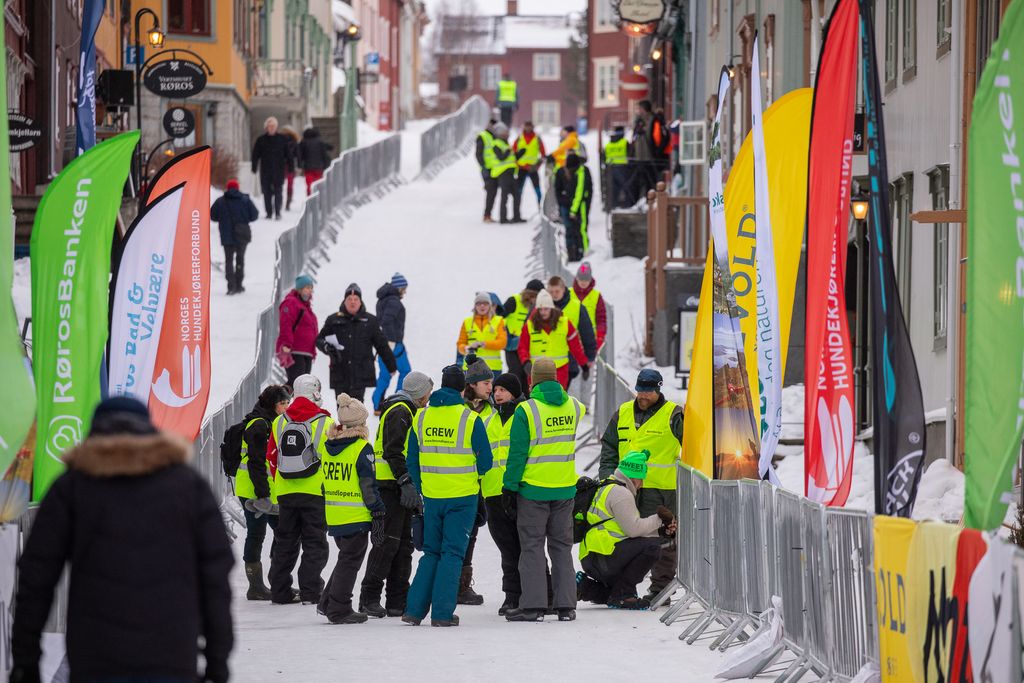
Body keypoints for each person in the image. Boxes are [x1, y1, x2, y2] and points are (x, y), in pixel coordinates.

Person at [10, 397, 234, 683]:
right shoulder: (188, 487)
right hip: (171, 654)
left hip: (96, 657)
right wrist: (218, 660)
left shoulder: (72, 488)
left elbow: (36, 578)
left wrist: (26, 659)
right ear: (151, 433)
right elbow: (216, 578)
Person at [402, 365, 493, 627]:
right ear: (463, 386)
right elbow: (485, 462)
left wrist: (423, 486)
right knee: (453, 553)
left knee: (431, 552)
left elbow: (412, 460)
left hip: (432, 496)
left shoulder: (421, 418)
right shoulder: (470, 419)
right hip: (462, 496)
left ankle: (414, 610)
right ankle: (442, 613)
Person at [502, 358, 585, 622]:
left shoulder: (526, 411)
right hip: (564, 488)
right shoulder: (573, 406)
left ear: (532, 379)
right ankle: (566, 606)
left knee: (532, 547)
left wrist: (509, 487)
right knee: (561, 547)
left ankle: (534, 606)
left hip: (533, 491)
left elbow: (517, 454)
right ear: (557, 377)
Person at [598, 369, 683, 601]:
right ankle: (624, 588)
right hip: (625, 488)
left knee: (661, 539)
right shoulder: (623, 412)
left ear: (658, 390)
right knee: (626, 538)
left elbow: (692, 445)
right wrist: (606, 476)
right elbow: (609, 447)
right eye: (640, 390)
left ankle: (661, 590)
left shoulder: (673, 414)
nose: (643, 395)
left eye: (648, 391)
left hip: (660, 490)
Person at [359, 371, 434, 618]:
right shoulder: (401, 411)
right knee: (387, 543)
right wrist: (405, 481)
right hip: (389, 486)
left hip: (397, 484)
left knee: (403, 545)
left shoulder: (405, 410)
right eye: (427, 394)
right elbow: (393, 452)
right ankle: (369, 597)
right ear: (420, 393)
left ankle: (397, 599)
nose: (428, 399)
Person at [577, 451, 677, 609]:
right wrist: (659, 520)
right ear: (634, 476)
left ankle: (587, 588)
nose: (642, 484)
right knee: (652, 548)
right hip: (603, 558)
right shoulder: (621, 494)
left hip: (595, 556)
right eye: (641, 478)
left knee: (612, 594)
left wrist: (661, 532)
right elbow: (633, 530)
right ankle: (625, 595)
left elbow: (626, 529)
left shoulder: (608, 486)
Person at [317, 394, 384, 624]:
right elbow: (368, 485)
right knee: (350, 562)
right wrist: (377, 510)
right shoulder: (361, 449)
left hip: (335, 514)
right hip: (356, 514)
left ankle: (328, 602)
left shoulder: (328, 447)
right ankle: (339, 608)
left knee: (345, 559)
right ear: (361, 424)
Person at [267, 374, 333, 604]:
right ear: (315, 392)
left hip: (286, 492)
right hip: (314, 491)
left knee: (285, 541)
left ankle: (279, 591)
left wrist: (279, 486)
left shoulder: (279, 421)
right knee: (314, 542)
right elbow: (330, 458)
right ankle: (310, 591)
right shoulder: (325, 422)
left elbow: (272, 458)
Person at [236, 384, 292, 600]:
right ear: (272, 404)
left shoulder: (273, 421)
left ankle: (277, 581)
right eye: (282, 403)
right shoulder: (259, 425)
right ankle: (256, 586)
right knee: (256, 533)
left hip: (268, 489)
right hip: (253, 490)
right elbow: (256, 464)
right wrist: (262, 495)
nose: (286, 407)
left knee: (282, 532)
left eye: (288, 402)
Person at [482, 372, 526, 615]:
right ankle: (512, 595)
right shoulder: (489, 421)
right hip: (493, 493)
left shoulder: (523, 416)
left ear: (514, 392)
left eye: (502, 390)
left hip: (518, 491)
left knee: (525, 545)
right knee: (506, 547)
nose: (497, 394)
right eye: (495, 389)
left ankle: (535, 592)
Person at [455, 355, 494, 606]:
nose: (491, 387)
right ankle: (455, 584)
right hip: (459, 481)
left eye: (491, 383)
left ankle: (462, 583)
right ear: (472, 385)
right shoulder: (460, 410)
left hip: (483, 482)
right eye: (486, 383)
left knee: (473, 533)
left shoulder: (492, 409)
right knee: (459, 534)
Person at [316, 283, 397, 403]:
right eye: (349, 299)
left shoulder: (370, 321)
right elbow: (319, 340)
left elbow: (382, 345)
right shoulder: (333, 320)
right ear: (344, 301)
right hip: (340, 372)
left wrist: (391, 366)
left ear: (360, 301)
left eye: (356, 299)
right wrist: (327, 347)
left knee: (357, 409)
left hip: (361, 373)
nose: (352, 302)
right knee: (342, 408)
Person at [517, 289, 589, 390]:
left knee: (557, 401)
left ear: (551, 307)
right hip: (537, 371)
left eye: (546, 309)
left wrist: (584, 365)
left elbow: (575, 346)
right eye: (540, 309)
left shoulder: (564, 323)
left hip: (559, 371)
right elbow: (522, 347)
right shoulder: (529, 325)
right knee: (537, 402)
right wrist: (525, 362)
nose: (543, 312)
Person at [210, 178, 260, 295]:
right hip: (242, 235)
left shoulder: (220, 201)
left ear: (228, 188)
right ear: (237, 188)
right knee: (240, 259)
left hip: (226, 235)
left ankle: (231, 286)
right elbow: (254, 215)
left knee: (228, 260)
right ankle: (239, 284)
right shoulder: (245, 200)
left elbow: (213, 216)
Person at [547, 275, 597, 385]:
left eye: (557, 291)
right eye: (551, 292)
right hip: (544, 361)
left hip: (570, 360)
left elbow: (587, 334)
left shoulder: (576, 307)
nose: (554, 295)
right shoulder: (542, 307)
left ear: (564, 289)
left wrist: (589, 358)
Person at [373, 272, 411, 413]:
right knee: (405, 371)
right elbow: (386, 321)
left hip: (385, 343)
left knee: (385, 374)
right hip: (393, 343)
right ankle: (398, 399)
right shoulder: (393, 301)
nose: (405, 291)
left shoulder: (384, 299)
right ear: (399, 287)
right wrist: (391, 341)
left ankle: (377, 404)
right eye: (404, 288)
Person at [276, 274, 319, 387]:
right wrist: (286, 344)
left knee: (302, 386)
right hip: (295, 351)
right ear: (299, 289)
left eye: (311, 288)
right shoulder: (291, 303)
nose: (309, 291)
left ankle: (289, 403)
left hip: (306, 352)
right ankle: (277, 402)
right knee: (296, 384)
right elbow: (286, 325)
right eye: (307, 288)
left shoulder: (306, 306)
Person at [501, 279, 543, 389]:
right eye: (532, 295)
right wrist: (503, 334)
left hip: (529, 345)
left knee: (527, 375)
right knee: (516, 372)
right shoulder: (514, 301)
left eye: (536, 296)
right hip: (512, 346)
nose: (533, 299)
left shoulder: (541, 308)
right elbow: (499, 316)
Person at [457, 291, 507, 377]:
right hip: (471, 368)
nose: (482, 306)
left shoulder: (499, 321)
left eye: (485, 303)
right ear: (475, 306)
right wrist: (466, 348)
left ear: (490, 305)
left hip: (492, 368)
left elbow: (502, 343)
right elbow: (460, 344)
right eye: (479, 303)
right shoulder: (467, 322)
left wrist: (484, 344)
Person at [251, 116, 292, 220]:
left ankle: (278, 212)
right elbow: (255, 154)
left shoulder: (282, 139)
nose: (272, 128)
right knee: (266, 192)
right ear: (266, 127)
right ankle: (269, 212)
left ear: (276, 127)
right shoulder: (261, 140)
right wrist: (254, 166)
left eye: (273, 126)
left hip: (279, 169)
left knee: (278, 191)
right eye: (270, 126)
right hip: (265, 170)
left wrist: (291, 166)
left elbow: (288, 154)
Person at [490, 123, 521, 224]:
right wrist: (508, 150)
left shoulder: (505, 143)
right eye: (505, 132)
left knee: (516, 195)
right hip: (503, 173)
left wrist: (520, 153)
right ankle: (503, 218)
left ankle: (517, 217)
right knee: (505, 196)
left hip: (511, 173)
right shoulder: (496, 144)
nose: (507, 134)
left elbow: (511, 157)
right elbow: (501, 157)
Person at [573, 262, 608, 351]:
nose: (583, 282)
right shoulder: (569, 293)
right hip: (571, 339)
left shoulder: (596, 296)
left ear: (590, 280)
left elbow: (601, 317)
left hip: (589, 340)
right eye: (581, 279)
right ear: (577, 278)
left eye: (586, 279)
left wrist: (600, 335)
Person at [513, 121, 546, 216]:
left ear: (532, 127)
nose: (528, 128)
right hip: (521, 168)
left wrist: (537, 165)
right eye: (526, 126)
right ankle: (517, 213)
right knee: (518, 191)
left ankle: (541, 212)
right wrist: (517, 164)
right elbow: (513, 152)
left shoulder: (537, 138)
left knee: (538, 191)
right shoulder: (519, 138)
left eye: (529, 127)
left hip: (533, 169)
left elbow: (543, 154)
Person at [564, 153, 593, 261]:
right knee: (579, 227)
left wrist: (573, 209)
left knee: (582, 227)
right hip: (580, 204)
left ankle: (586, 250)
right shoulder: (580, 171)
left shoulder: (582, 173)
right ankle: (582, 249)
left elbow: (579, 192)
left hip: (582, 204)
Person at [298, 127, 334, 195]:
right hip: (319, 167)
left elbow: (300, 155)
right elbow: (324, 154)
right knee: (318, 183)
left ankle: (310, 197)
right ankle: (319, 196)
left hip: (308, 168)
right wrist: (326, 165)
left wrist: (300, 165)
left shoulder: (303, 142)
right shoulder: (320, 142)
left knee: (309, 184)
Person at [602, 125, 632, 208]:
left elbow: (603, 157)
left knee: (613, 188)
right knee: (626, 186)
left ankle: (612, 204)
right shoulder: (624, 143)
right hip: (622, 167)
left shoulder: (608, 145)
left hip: (610, 168)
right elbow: (630, 154)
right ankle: (626, 204)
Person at [476, 119, 498, 223]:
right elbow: (478, 154)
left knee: (493, 192)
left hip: (496, 169)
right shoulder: (483, 136)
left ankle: (488, 215)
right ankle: (487, 215)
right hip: (487, 169)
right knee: (491, 192)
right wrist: (484, 167)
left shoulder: (495, 136)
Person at [280, 125, 301, 211]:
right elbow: (298, 155)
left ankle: (280, 201)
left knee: (279, 184)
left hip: (282, 165)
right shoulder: (295, 141)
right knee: (290, 184)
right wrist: (299, 165)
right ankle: (288, 202)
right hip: (291, 165)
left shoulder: (280, 140)